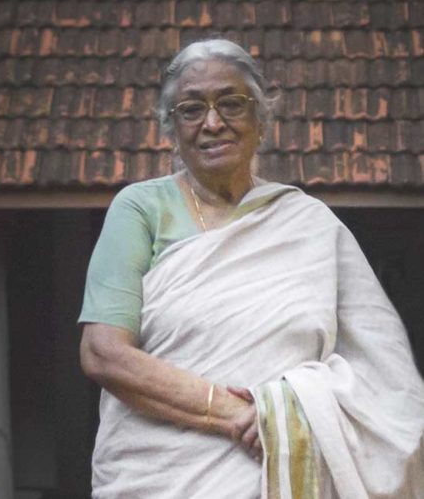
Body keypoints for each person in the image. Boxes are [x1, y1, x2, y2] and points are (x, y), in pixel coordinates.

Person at [79, 39, 424, 498]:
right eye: (191, 109)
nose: (213, 122)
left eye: (231, 104)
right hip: (156, 477)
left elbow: (386, 375)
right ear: (173, 129)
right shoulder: (140, 209)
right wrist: (239, 413)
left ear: (261, 121)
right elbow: (103, 353)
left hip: (279, 472)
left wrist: (292, 412)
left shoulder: (310, 225)